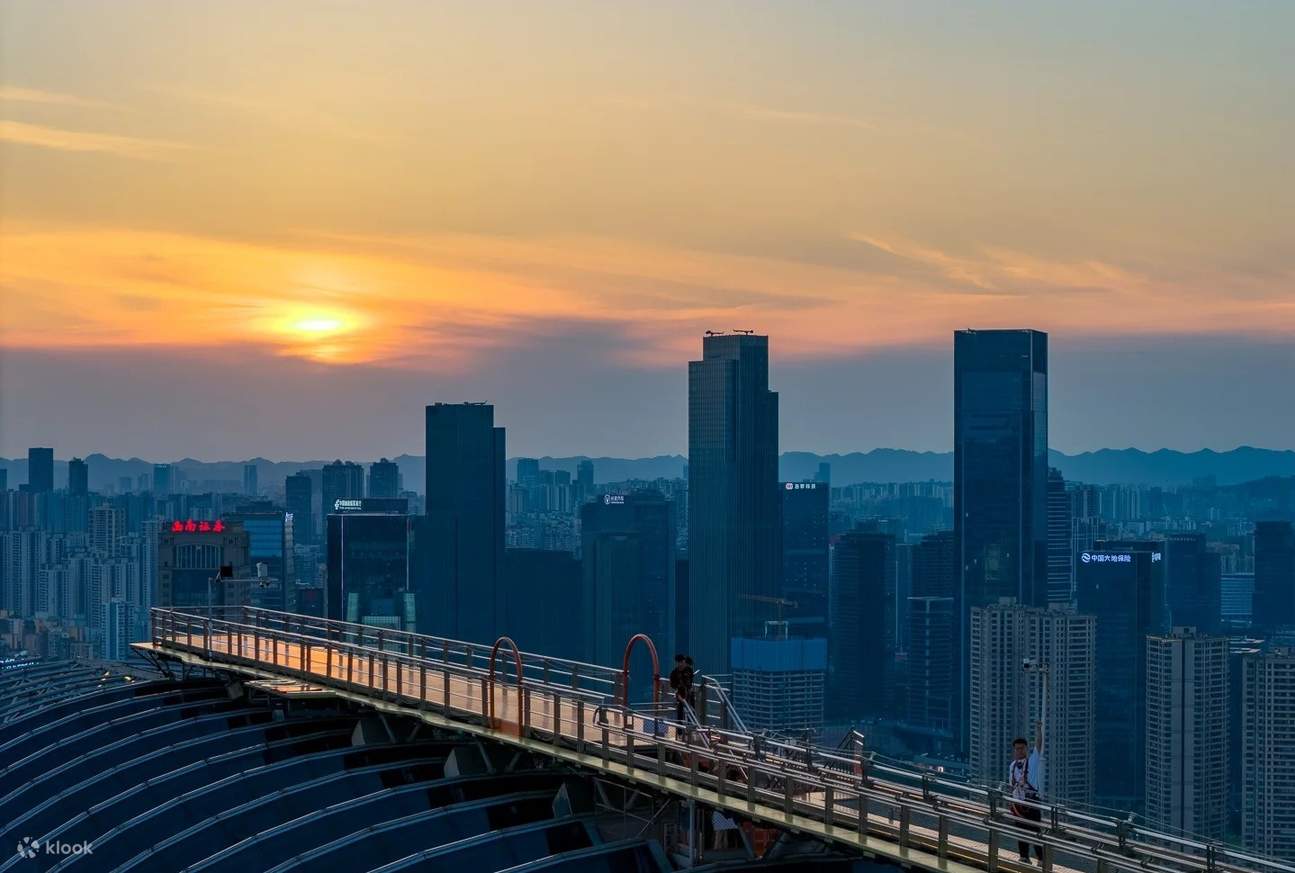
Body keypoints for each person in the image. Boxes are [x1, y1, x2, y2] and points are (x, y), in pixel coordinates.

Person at [1007, 723, 1045, 863]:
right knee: (1021, 831)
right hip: (1018, 802)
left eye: (1021, 748)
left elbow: (1039, 746)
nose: (1019, 751)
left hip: (1031, 802)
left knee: (1035, 831)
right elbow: (1011, 785)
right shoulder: (1012, 766)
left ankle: (1041, 858)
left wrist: (1038, 731)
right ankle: (1024, 856)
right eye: (1017, 749)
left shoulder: (1032, 762)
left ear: (1026, 749)